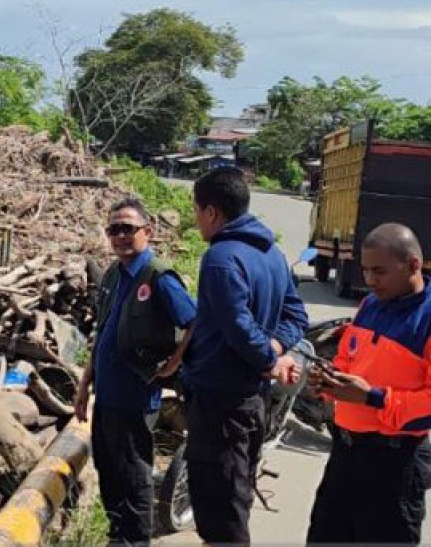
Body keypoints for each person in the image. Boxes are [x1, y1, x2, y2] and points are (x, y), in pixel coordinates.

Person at [182, 166, 308, 546]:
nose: (195, 218)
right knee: (236, 493)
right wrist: (275, 349)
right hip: (250, 401)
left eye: (196, 209)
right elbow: (295, 314)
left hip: (221, 402)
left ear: (211, 212)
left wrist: (269, 358)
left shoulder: (221, 257)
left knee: (222, 512)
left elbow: (237, 324)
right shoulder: (271, 253)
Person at [74, 198, 196, 545]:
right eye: (114, 229)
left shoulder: (158, 276)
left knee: (134, 475)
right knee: (109, 471)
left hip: (136, 397)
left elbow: (193, 322)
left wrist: (173, 362)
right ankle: (118, 535)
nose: (121, 236)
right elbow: (102, 332)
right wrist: (84, 386)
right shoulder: (114, 274)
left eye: (129, 228)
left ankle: (137, 540)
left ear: (148, 231)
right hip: (107, 396)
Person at [306, 222, 431, 546]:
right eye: (365, 270)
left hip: (393, 466)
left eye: (380, 271)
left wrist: (373, 398)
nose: (370, 280)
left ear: (413, 265)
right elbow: (349, 357)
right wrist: (329, 379)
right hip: (346, 454)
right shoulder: (371, 305)